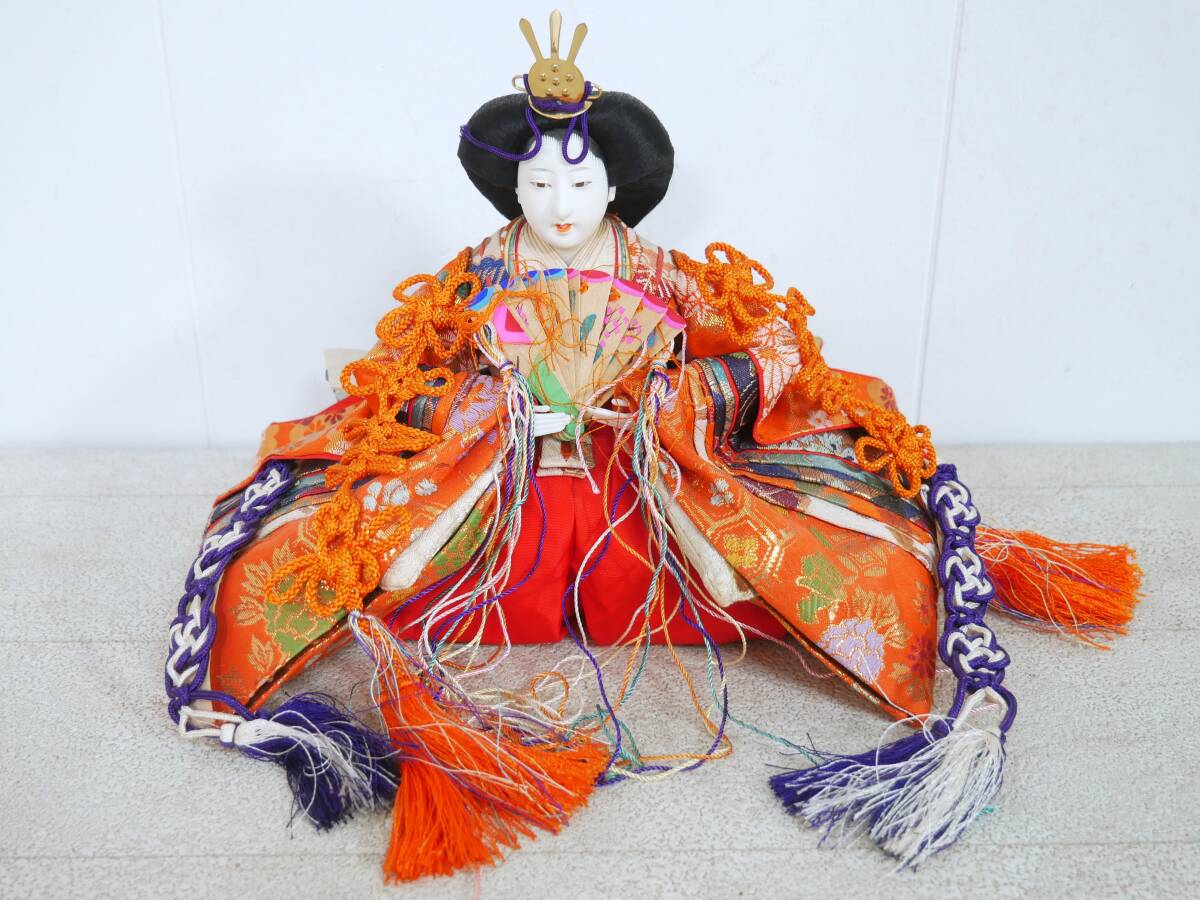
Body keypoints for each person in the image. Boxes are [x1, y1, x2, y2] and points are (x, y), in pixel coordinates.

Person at [164, 11, 1142, 882]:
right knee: (375, 559)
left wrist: (669, 401)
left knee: (750, 567)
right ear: (510, 184)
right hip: (502, 473)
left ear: (615, 183)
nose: (559, 203)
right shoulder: (476, 277)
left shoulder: (663, 275)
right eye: (538, 181)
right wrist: (496, 407)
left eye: (580, 181)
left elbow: (771, 348)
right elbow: (406, 377)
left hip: (644, 469)